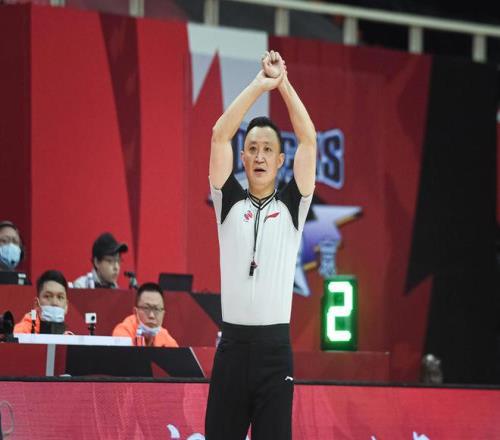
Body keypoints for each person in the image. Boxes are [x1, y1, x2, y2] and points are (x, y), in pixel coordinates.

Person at [205, 50, 316, 440]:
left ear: (281, 160)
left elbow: (308, 138)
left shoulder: (292, 206)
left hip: (275, 354)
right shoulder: (228, 202)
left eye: (268, 149)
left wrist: (282, 83)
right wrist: (259, 84)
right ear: (242, 157)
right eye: (252, 148)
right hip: (232, 350)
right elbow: (219, 134)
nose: (259, 156)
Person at [112, 282, 178, 347]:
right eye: (146, 308)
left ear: (163, 314)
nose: (151, 315)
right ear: (135, 312)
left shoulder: (165, 336)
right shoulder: (123, 332)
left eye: (157, 309)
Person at [14, 270, 70, 334]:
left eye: (60, 297)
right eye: (48, 296)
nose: (54, 303)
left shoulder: (69, 338)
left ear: (66, 306)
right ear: (37, 304)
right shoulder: (19, 333)